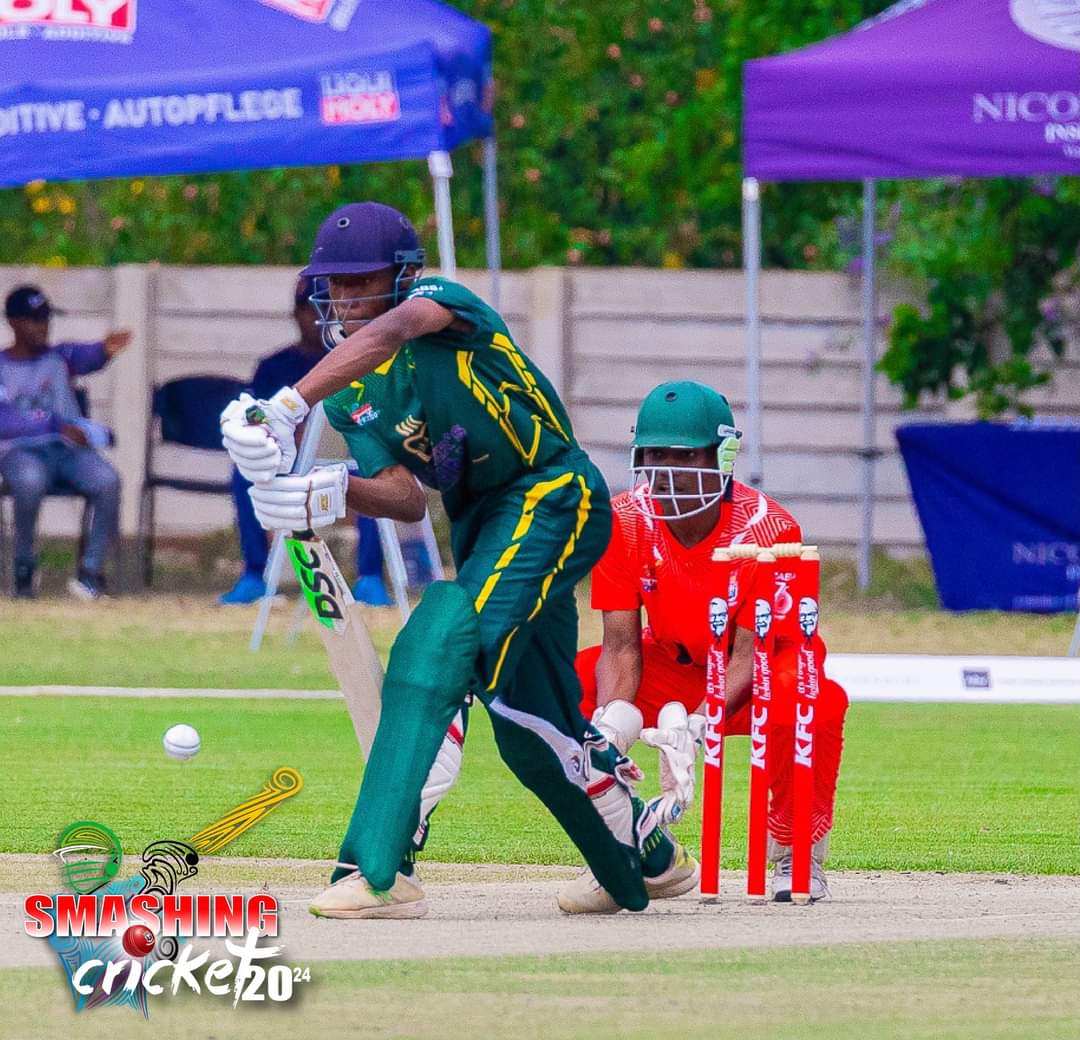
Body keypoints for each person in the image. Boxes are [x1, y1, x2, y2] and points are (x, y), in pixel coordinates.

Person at [220, 202, 696, 919]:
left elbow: (393, 329)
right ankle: (646, 858)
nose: (345, 299)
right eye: (334, 285)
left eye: (360, 281)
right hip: (481, 527)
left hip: (552, 494)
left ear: (405, 275)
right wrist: (323, 489)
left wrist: (286, 403)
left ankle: (381, 868)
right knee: (524, 718)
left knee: (437, 642)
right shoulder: (351, 394)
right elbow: (408, 499)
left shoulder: (441, 306)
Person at [570, 381, 849, 905]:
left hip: (759, 670)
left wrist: (695, 724)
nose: (668, 471)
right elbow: (621, 647)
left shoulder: (767, 531)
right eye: (654, 455)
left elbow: (749, 656)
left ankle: (796, 850)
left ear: (721, 457)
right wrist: (612, 722)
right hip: (673, 663)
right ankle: (629, 840)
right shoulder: (624, 520)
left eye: (684, 456)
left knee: (812, 695)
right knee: (574, 684)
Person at [219, 278, 393, 607]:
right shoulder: (273, 366)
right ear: (295, 314)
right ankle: (255, 574)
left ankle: (370, 578)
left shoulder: (350, 359)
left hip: (344, 459)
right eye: (308, 309)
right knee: (243, 472)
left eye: (323, 308)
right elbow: (257, 416)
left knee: (378, 472)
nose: (315, 317)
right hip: (286, 460)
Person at [0, 285, 129, 599]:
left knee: (107, 480)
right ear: (14, 323)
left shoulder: (60, 357)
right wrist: (57, 424)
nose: (43, 327)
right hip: (21, 453)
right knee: (29, 483)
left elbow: (86, 356)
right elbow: (7, 422)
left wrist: (104, 350)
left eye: (46, 319)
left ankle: (90, 572)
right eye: (34, 320)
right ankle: (24, 564)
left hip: (67, 453)